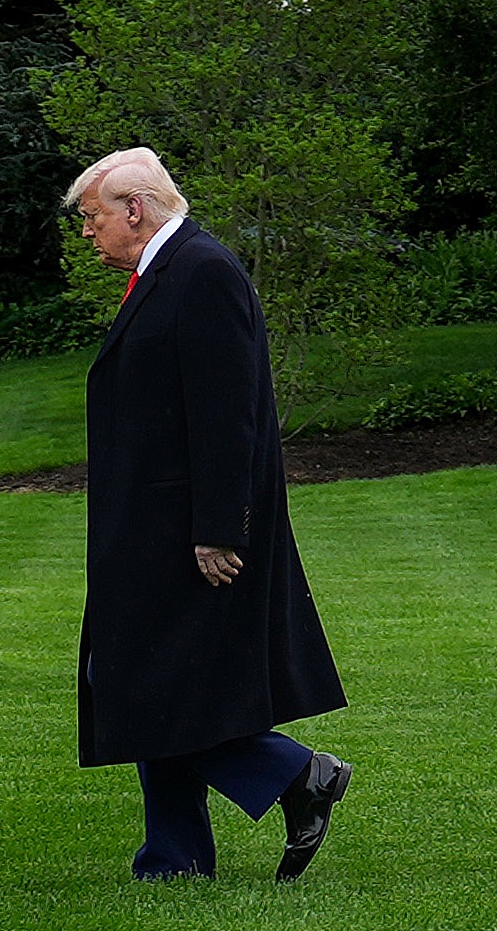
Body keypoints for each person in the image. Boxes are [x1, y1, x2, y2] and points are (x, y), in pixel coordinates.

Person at [71, 146, 353, 882]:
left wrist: (219, 528)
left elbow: (229, 414)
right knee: (161, 680)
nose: (86, 232)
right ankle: (174, 858)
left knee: (133, 677)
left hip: (185, 531)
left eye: (92, 216)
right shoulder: (169, 271)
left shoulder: (202, 271)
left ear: (134, 207)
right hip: (151, 527)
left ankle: (297, 775)